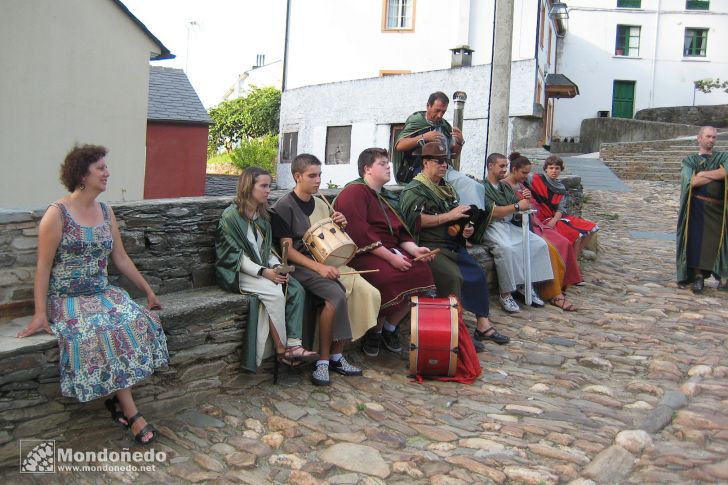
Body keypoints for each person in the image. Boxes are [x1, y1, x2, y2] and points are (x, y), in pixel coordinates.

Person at [17, 144, 168, 445]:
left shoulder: (105, 211)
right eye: (100, 168)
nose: (107, 172)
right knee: (97, 331)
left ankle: (118, 403)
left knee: (138, 320)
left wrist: (148, 291)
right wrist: (39, 313)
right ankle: (132, 413)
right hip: (68, 300)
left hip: (102, 294)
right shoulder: (56, 215)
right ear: (81, 174)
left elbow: (121, 259)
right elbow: (43, 269)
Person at [271, 154, 380, 386]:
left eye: (320, 175)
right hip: (301, 266)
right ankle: (323, 362)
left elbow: (331, 239)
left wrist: (340, 225)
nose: (318, 180)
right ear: (297, 176)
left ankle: (336, 355)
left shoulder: (321, 203)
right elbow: (287, 251)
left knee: (364, 290)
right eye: (312, 176)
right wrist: (319, 268)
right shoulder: (283, 207)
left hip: (327, 263)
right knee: (336, 294)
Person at [399, 141, 510, 345]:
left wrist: (463, 229)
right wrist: (448, 216)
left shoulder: (446, 187)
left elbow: (455, 216)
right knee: (453, 277)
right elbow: (412, 221)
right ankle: (454, 332)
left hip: (452, 244)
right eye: (439, 161)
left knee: (476, 273)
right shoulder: (414, 189)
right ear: (425, 163)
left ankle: (482, 326)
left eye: (446, 161)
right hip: (428, 247)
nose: (444, 166)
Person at [333, 148, 437, 357]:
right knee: (389, 278)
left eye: (388, 162)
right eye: (382, 163)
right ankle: (374, 331)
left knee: (422, 272)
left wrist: (416, 250)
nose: (389, 166)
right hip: (363, 254)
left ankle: (389, 328)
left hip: (389, 250)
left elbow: (398, 232)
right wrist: (392, 258)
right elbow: (359, 233)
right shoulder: (354, 192)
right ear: (367, 169)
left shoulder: (383, 196)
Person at [215, 167, 319, 372]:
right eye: (263, 186)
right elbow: (234, 256)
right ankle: (283, 350)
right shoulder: (230, 217)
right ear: (248, 187)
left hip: (262, 270)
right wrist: (264, 273)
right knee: (274, 292)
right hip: (236, 272)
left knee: (295, 287)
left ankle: (294, 344)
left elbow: (268, 250)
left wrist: (275, 267)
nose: (268, 190)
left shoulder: (262, 217)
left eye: (269, 186)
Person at [504, 153, 581, 310]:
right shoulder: (505, 186)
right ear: (514, 170)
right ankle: (554, 294)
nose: (527, 176)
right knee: (549, 248)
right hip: (520, 225)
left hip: (534, 222)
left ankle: (561, 286)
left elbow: (557, 206)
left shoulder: (522, 185)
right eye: (524, 173)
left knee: (564, 242)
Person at [482, 153, 555, 313]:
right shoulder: (482, 187)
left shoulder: (504, 187)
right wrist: (517, 207)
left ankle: (527, 285)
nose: (504, 169)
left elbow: (519, 206)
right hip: (491, 227)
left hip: (508, 225)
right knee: (506, 248)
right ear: (490, 166)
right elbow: (491, 211)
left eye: (505, 166)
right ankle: (505, 294)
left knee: (538, 244)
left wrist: (525, 200)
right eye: (501, 166)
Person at [393, 91, 487, 210]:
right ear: (428, 106)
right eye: (437, 110)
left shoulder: (444, 126)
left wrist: (459, 142)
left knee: (476, 187)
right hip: (421, 170)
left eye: (443, 112)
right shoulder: (416, 121)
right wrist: (424, 137)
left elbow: (452, 155)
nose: (439, 115)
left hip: (444, 169)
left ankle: (473, 218)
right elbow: (399, 145)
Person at [676, 126, 728, 293]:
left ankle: (723, 277)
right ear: (699, 138)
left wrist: (702, 174)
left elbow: (726, 172)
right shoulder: (690, 161)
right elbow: (691, 182)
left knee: (720, 243)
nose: (711, 140)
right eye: (708, 137)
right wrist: (718, 173)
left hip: (720, 209)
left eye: (714, 137)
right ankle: (698, 277)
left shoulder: (723, 157)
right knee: (696, 242)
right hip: (697, 208)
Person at [529, 155, 599, 260]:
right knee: (576, 236)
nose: (554, 171)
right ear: (545, 169)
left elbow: (560, 208)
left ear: (561, 169)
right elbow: (519, 175)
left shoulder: (561, 187)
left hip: (556, 218)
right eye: (551, 168)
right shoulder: (536, 179)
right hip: (541, 219)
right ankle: (573, 262)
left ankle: (574, 258)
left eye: (557, 168)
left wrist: (554, 219)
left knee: (592, 228)